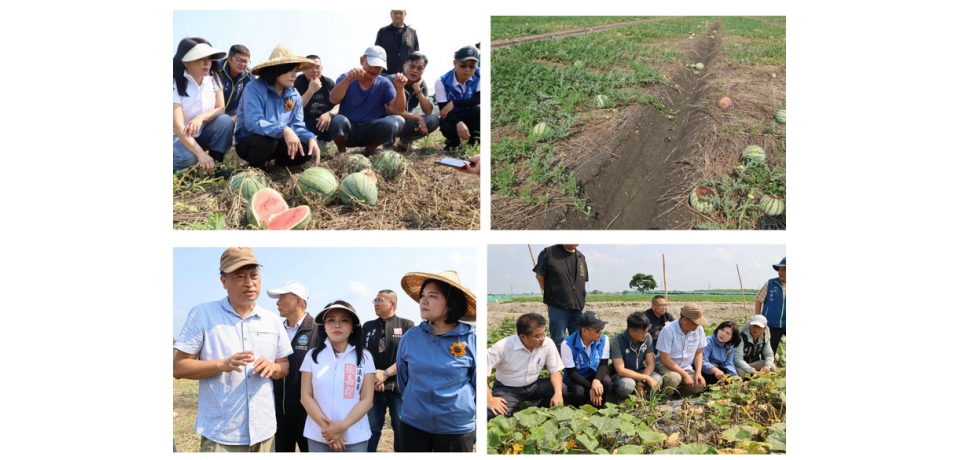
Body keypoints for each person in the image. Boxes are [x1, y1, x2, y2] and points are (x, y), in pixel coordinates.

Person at [173, 247, 292, 452]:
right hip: (221, 434)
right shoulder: (203, 315)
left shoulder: (272, 320)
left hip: (264, 432)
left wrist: (273, 367)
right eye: (239, 276)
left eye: (254, 275)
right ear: (223, 281)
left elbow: (284, 366)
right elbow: (179, 368)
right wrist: (222, 364)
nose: (249, 282)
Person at [396, 270, 477, 452]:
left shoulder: (471, 340)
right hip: (413, 424)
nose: (423, 301)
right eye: (422, 295)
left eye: (432, 296)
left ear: (451, 303)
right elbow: (403, 379)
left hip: (456, 428)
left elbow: (477, 383)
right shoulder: (410, 338)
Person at [300, 301, 375, 452]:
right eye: (331, 320)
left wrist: (341, 427)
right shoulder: (312, 356)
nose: (337, 325)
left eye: (344, 320)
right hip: (319, 436)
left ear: (353, 326)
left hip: (354, 437)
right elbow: (305, 397)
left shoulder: (365, 357)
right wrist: (329, 430)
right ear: (324, 325)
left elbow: (367, 400)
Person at [234, 45, 322, 169]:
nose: (294, 75)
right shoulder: (254, 88)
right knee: (265, 142)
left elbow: (297, 125)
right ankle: (257, 167)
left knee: (306, 149)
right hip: (252, 141)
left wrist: (310, 138)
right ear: (276, 71)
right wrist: (284, 129)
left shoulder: (294, 94)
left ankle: (280, 165)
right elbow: (253, 123)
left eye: (295, 71)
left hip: (278, 140)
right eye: (290, 71)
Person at [328, 46, 407, 157]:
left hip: (371, 130)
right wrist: (348, 80)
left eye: (379, 67)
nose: (374, 69)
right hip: (349, 130)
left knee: (398, 120)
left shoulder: (384, 83)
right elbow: (333, 99)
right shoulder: (345, 77)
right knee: (338, 120)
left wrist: (400, 88)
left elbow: (399, 109)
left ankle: (370, 149)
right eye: (372, 64)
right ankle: (341, 151)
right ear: (362, 60)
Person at [268, 280, 318, 453]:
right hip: (279, 413)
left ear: (298, 301)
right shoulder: (275, 330)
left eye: (282, 297)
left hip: (308, 414)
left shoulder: (319, 331)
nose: (277, 302)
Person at [361, 290, 415, 452]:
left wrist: (384, 374)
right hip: (373, 387)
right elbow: (362, 355)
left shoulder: (407, 326)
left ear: (392, 304)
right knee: (372, 428)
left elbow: (409, 357)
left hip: (398, 388)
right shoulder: (368, 326)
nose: (376, 304)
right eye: (375, 300)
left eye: (380, 300)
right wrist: (374, 377)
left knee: (401, 428)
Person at [172, 37, 234, 175]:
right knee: (188, 159)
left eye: (209, 58)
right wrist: (200, 153)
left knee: (225, 121)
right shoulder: (174, 84)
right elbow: (177, 126)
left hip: (203, 132)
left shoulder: (214, 78)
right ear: (185, 62)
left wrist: (201, 117)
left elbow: (221, 109)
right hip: (178, 137)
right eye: (200, 58)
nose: (207, 63)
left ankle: (215, 167)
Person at [487, 312, 564, 421]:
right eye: (538, 336)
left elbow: (555, 371)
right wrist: (489, 399)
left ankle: (540, 410)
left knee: (562, 389)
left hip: (533, 386)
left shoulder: (548, 343)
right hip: (508, 389)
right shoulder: (502, 347)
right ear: (523, 337)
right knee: (493, 414)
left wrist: (558, 394)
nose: (543, 338)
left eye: (544, 333)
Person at [533, 244, 588, 349]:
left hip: (578, 307)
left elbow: (582, 280)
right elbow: (539, 275)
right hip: (557, 306)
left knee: (579, 339)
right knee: (559, 340)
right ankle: (559, 360)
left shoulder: (581, 257)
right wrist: (551, 294)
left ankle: (575, 359)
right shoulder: (549, 253)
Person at [384, 52, 439, 152]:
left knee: (433, 119)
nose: (415, 71)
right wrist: (417, 117)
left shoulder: (421, 84)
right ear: (404, 66)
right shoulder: (391, 80)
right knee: (396, 119)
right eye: (412, 66)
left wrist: (418, 90)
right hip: (388, 122)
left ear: (423, 71)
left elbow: (428, 111)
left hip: (406, 121)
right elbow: (391, 110)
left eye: (419, 68)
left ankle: (404, 142)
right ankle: (387, 146)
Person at [655, 303, 708, 397]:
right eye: (695, 323)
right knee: (674, 378)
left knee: (699, 384)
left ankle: (676, 394)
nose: (697, 326)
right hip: (666, 366)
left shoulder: (698, 329)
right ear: (684, 320)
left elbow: (698, 352)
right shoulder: (668, 330)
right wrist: (685, 375)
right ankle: (663, 397)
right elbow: (665, 359)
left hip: (685, 367)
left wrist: (698, 373)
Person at [560, 311, 611, 408]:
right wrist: (591, 387)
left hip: (594, 375)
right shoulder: (567, 344)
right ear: (584, 331)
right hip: (576, 378)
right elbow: (572, 373)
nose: (600, 332)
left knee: (606, 381)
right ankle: (578, 407)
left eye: (601, 328)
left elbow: (603, 364)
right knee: (578, 391)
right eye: (597, 330)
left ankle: (600, 405)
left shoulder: (604, 339)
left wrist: (596, 380)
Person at [435, 45, 481, 151]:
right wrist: (458, 122)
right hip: (454, 118)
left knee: (479, 109)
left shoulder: (480, 75)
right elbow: (443, 110)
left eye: (472, 66)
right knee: (444, 122)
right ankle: (453, 143)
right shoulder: (442, 81)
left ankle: (474, 143)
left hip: (472, 116)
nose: (467, 70)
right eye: (463, 65)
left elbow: (481, 99)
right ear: (455, 63)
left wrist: (454, 103)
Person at [610, 312, 659, 401]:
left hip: (641, 371)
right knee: (628, 385)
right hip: (623, 375)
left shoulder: (647, 338)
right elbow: (621, 371)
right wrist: (646, 378)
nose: (646, 334)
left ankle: (646, 397)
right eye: (643, 332)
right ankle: (623, 400)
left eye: (647, 331)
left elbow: (651, 363)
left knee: (658, 379)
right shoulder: (616, 341)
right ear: (631, 331)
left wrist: (641, 382)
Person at [294, 55, 338, 150]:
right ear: (303, 70)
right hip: (305, 122)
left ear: (321, 69)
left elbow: (339, 104)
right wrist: (310, 90)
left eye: (317, 67)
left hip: (324, 121)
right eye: (310, 67)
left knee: (339, 120)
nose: (314, 70)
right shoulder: (297, 83)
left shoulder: (328, 83)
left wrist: (330, 114)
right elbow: (294, 109)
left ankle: (327, 143)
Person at [756, 257, 786, 356]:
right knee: (770, 351)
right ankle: (767, 364)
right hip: (772, 324)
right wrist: (758, 317)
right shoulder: (770, 284)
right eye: (779, 270)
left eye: (784, 269)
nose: (780, 272)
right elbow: (759, 300)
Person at [375, 10, 420, 75]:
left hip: (406, 74)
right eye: (395, 13)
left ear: (405, 14)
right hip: (385, 73)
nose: (398, 15)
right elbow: (377, 52)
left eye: (400, 13)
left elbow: (415, 54)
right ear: (391, 14)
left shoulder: (412, 33)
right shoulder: (383, 32)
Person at [219, 44, 254, 120]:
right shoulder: (216, 69)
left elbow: (251, 103)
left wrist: (234, 118)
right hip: (213, 110)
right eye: (239, 60)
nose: (242, 64)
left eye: (245, 61)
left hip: (234, 113)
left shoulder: (250, 77)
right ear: (229, 59)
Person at [701, 320, 741, 385]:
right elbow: (702, 361)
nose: (723, 334)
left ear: (731, 338)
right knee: (715, 366)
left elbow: (729, 363)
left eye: (728, 333)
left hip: (719, 370)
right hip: (706, 370)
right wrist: (714, 369)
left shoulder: (730, 347)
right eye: (722, 330)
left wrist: (736, 377)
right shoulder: (708, 342)